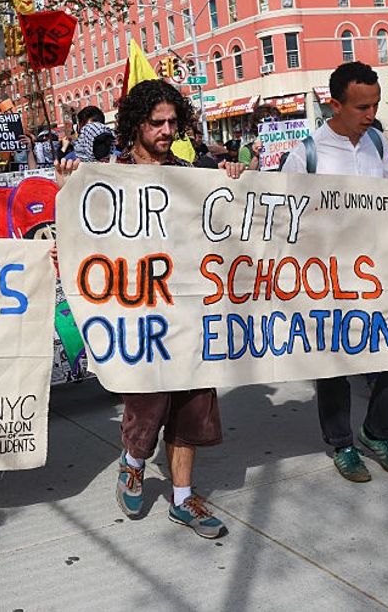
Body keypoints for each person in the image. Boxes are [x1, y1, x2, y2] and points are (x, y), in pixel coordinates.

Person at [58, 79, 244, 539]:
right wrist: (67, 188)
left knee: (193, 405)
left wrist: (234, 179)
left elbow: (226, 223)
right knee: (148, 402)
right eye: (157, 123)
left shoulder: (191, 175)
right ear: (136, 124)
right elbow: (83, 235)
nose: (166, 131)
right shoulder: (109, 176)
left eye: (172, 122)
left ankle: (183, 499)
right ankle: (134, 461)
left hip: (191, 313)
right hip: (137, 314)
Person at [281, 61, 388, 483]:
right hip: (328, 280)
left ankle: (378, 433)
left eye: (375, 105)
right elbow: (284, 219)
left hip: (378, 272)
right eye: (361, 107)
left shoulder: (378, 143)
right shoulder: (306, 156)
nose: (371, 115)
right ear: (335, 105)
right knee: (334, 364)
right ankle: (342, 444)